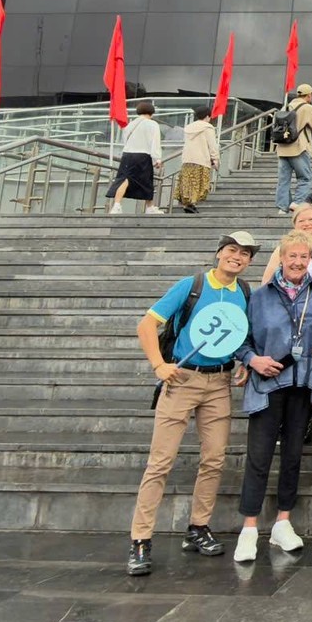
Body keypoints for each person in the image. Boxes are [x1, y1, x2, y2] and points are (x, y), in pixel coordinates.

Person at [128, 233, 253, 575]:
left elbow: (241, 334)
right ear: (219, 253)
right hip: (182, 379)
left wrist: (243, 361)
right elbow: (147, 324)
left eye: (244, 254)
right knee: (160, 461)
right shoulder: (193, 285)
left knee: (214, 458)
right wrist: (158, 364)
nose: (237, 257)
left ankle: (198, 527)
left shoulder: (244, 292)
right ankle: (141, 539)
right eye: (232, 250)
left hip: (219, 382)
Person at [234, 232, 312, 563]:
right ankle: (249, 528)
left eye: (304, 256)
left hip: (301, 384)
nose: (298, 262)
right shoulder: (260, 296)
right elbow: (242, 339)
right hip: (267, 384)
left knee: (293, 455)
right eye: (292, 256)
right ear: (282, 258)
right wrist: (252, 360)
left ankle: (283, 522)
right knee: (259, 456)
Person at [274, 84, 312, 214]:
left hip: (282, 148)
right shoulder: (307, 107)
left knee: (283, 180)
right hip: (298, 148)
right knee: (305, 178)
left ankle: (282, 207)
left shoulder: (286, 107)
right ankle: (297, 202)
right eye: (311, 95)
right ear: (309, 95)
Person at [110, 101, 164, 215]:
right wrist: (157, 159)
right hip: (143, 155)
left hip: (127, 154)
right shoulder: (153, 124)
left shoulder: (131, 124)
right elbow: (155, 142)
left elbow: (125, 139)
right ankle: (150, 207)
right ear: (152, 112)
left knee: (124, 179)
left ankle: (116, 205)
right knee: (146, 181)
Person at [267, 207, 312, 286]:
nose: (307, 224)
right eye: (301, 221)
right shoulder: (284, 248)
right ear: (295, 225)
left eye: (311, 219)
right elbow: (267, 282)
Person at [176, 106, 218, 214]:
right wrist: (215, 159)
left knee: (188, 182)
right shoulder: (208, 128)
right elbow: (212, 145)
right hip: (201, 159)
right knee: (198, 182)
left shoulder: (188, 128)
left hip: (187, 159)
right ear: (207, 116)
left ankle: (187, 204)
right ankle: (192, 204)